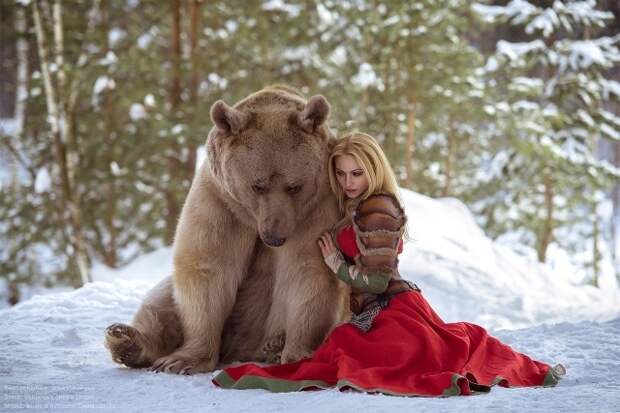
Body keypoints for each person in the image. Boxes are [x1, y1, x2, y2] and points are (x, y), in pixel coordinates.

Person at [212, 132, 565, 396]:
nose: (348, 182)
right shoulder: (358, 205)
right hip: (380, 310)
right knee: (345, 350)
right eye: (341, 174)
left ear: (374, 170)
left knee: (364, 358)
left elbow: (377, 282)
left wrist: (336, 263)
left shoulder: (378, 210)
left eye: (357, 173)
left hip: (392, 309)